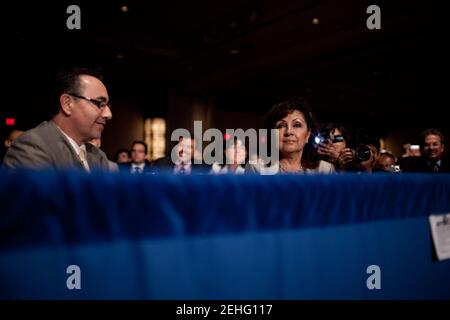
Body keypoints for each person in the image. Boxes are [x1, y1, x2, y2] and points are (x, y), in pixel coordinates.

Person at [2, 67, 112, 171]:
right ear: (67, 103)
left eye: (107, 106)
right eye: (99, 103)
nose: (108, 114)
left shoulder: (98, 156)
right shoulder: (32, 147)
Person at [245, 97, 334, 174]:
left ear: (308, 135)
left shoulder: (325, 170)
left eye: (297, 125)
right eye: (281, 125)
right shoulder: (256, 168)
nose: (289, 132)